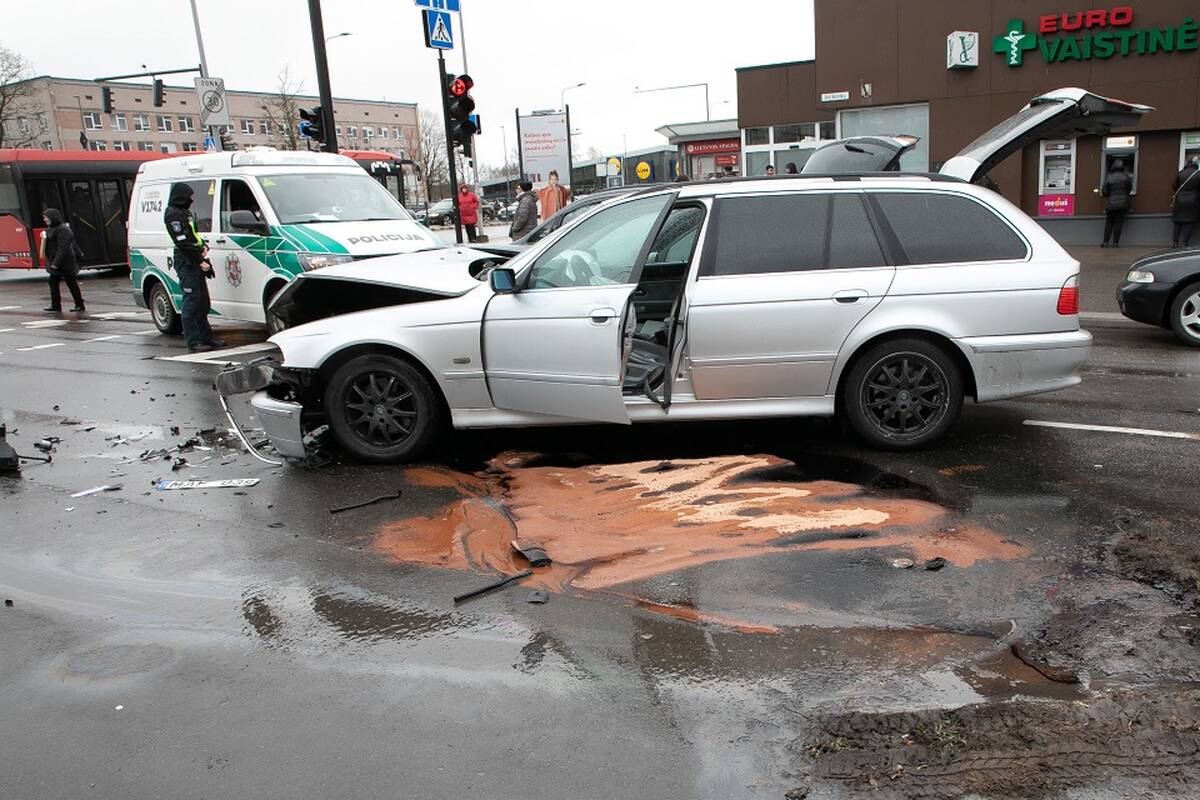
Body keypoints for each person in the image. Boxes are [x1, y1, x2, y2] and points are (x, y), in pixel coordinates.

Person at [164, 183, 223, 353]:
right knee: (192, 302)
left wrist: (203, 246)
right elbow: (182, 242)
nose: (191, 200)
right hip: (186, 260)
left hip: (194, 256)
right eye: (189, 196)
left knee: (203, 302)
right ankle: (194, 341)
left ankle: (206, 337)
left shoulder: (184, 212)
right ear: (181, 196)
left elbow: (193, 236)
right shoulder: (173, 214)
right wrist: (200, 261)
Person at [41, 208, 85, 313]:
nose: (44, 219)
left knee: (71, 283)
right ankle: (55, 305)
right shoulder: (51, 229)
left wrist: (56, 263)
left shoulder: (63, 230)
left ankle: (79, 304)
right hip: (56, 261)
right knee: (53, 283)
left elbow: (63, 248)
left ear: (52, 217)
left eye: (46, 217)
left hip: (65, 262)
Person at [1100, 159, 1133, 248]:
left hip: (1111, 204)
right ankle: (1115, 243)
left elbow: (1104, 192)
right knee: (1118, 223)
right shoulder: (1126, 177)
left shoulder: (1109, 177)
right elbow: (1129, 189)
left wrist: (1109, 195)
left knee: (1109, 223)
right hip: (1122, 204)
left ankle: (1105, 242)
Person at [1172, 158, 1200, 248]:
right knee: (1189, 222)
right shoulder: (1198, 174)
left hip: (1180, 200)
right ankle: (1185, 242)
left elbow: (1174, 186)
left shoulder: (1180, 173)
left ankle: (1175, 242)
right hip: (1193, 200)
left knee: (1178, 221)